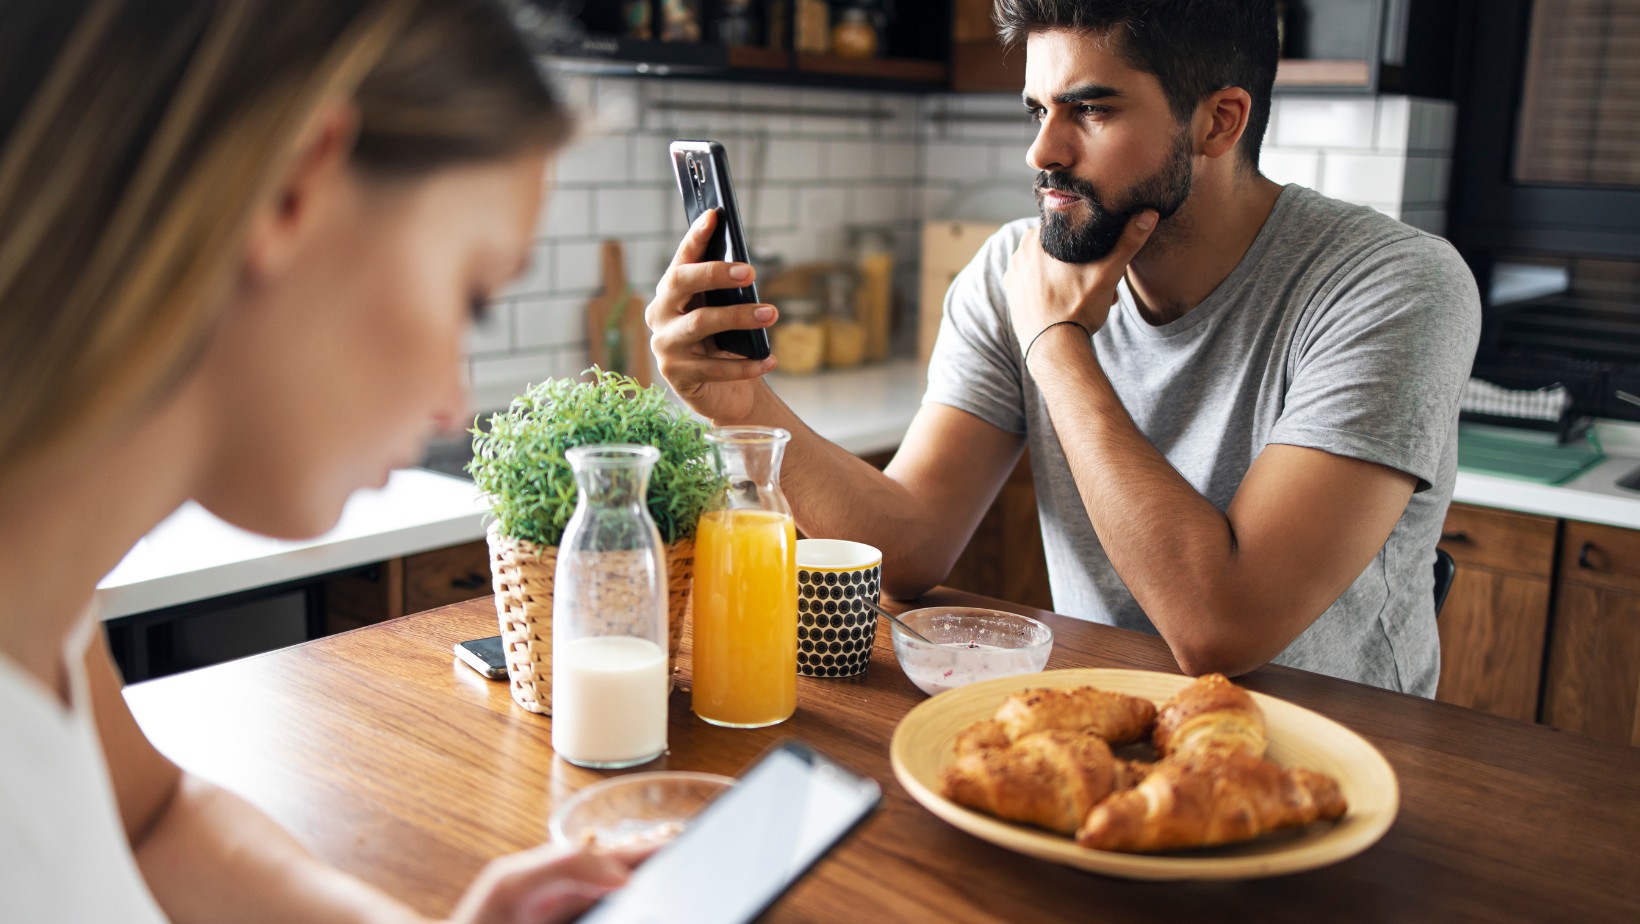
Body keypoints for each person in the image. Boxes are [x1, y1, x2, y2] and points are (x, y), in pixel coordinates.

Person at [0, 1, 643, 920]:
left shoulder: (42, 602)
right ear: (293, 188)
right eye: (473, 298)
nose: (451, 403)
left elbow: (154, 823)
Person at [645, 0, 1481, 697]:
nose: (1041, 151)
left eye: (1091, 109)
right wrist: (741, 404)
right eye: (1037, 110)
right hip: (1100, 732)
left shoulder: (1394, 286)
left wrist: (1054, 343)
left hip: (1345, 763)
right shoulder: (1013, 269)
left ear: (1220, 121)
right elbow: (909, 548)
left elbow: (1220, 628)